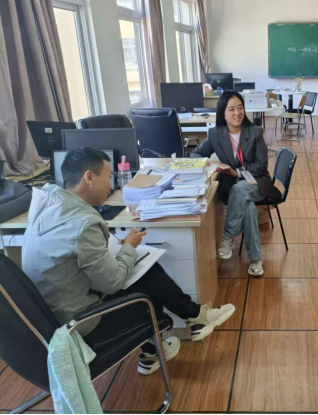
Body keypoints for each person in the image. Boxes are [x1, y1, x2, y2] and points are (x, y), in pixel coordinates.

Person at [23, 147, 235, 376]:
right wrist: (128, 248)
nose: (112, 185)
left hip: (52, 318)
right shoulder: (83, 223)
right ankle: (185, 326)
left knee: (145, 272)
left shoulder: (46, 206)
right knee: (149, 287)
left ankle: (172, 336)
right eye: (109, 177)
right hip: (80, 324)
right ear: (89, 177)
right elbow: (112, 283)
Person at [190, 91, 282, 277]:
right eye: (231, 109)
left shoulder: (255, 132)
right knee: (247, 207)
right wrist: (208, 165)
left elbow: (261, 165)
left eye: (240, 108)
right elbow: (195, 154)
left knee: (240, 189)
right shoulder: (215, 134)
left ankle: (228, 236)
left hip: (257, 182)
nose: (237, 113)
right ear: (223, 113)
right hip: (232, 187)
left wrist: (236, 172)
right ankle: (255, 259)